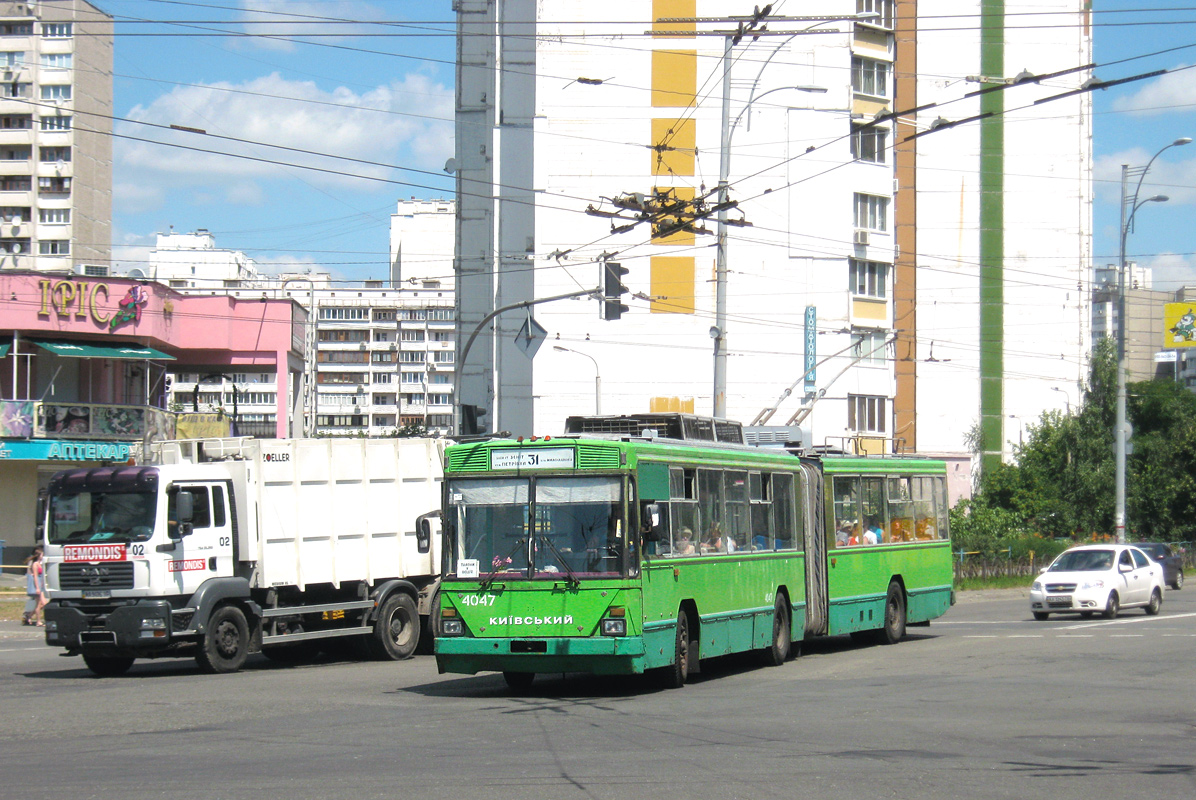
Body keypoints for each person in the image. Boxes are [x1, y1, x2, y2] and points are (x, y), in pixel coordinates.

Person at [23, 547, 47, 626]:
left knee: (44, 604)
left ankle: (29, 615)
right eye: (42, 554)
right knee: (39, 604)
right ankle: (38, 621)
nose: (43, 556)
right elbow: (35, 577)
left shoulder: (41, 564)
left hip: (42, 586)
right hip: (38, 586)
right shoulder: (35, 564)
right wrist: (37, 588)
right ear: (38, 555)